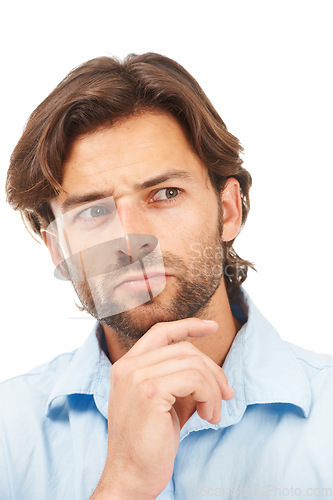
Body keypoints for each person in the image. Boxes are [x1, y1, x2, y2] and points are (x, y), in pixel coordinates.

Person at [1, 53, 333, 500]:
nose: (130, 239)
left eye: (165, 193)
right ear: (59, 249)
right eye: (94, 211)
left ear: (228, 210)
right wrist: (124, 485)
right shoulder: (9, 432)